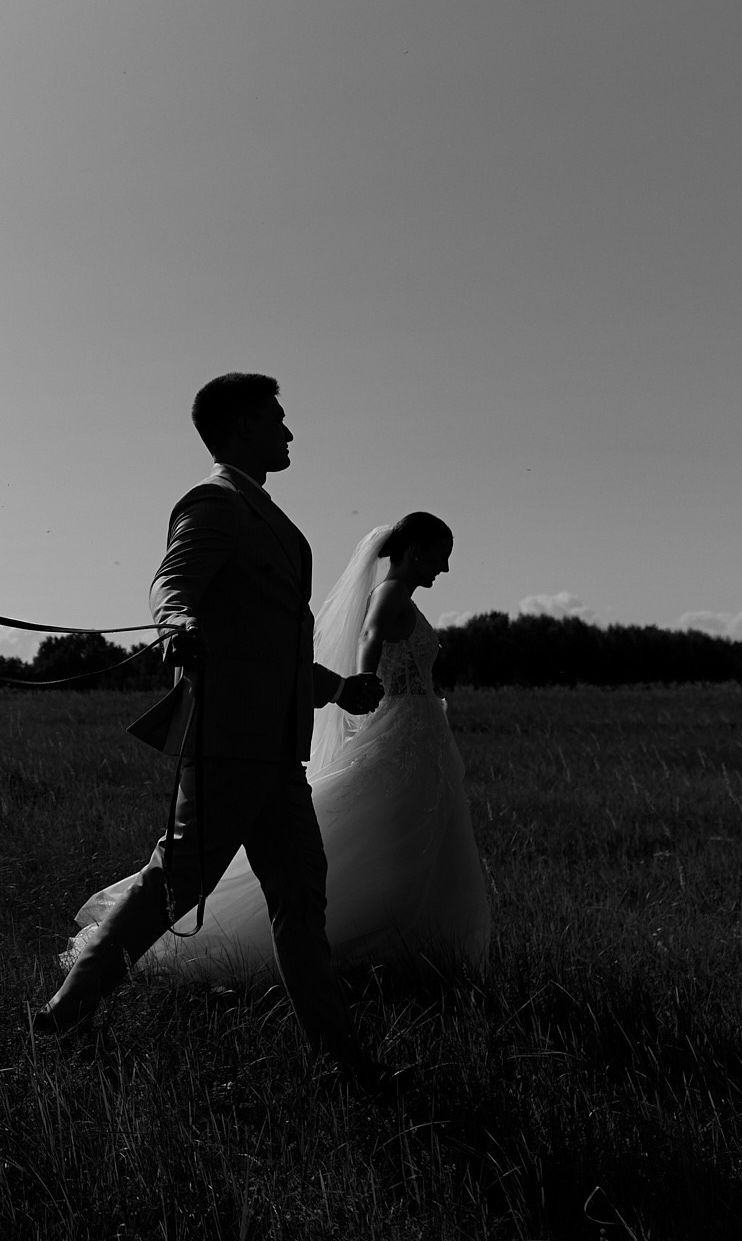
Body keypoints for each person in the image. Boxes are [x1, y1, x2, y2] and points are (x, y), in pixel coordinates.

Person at [31, 373, 390, 1088]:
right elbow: (174, 583)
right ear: (239, 427)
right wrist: (179, 624)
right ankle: (64, 1014)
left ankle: (339, 1056)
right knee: (177, 883)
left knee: (301, 896)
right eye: (277, 420)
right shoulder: (214, 502)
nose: (289, 433)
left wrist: (337, 689)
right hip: (225, 739)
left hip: (279, 750)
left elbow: (271, 648)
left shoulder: (271, 518)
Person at [71, 513, 493, 987]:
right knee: (379, 835)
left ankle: (411, 947)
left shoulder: (403, 599)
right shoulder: (391, 593)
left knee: (419, 836)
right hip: (403, 729)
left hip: (420, 732)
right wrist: (366, 688)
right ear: (415, 551)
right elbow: (371, 635)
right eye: (441, 556)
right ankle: (363, 950)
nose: (446, 568)